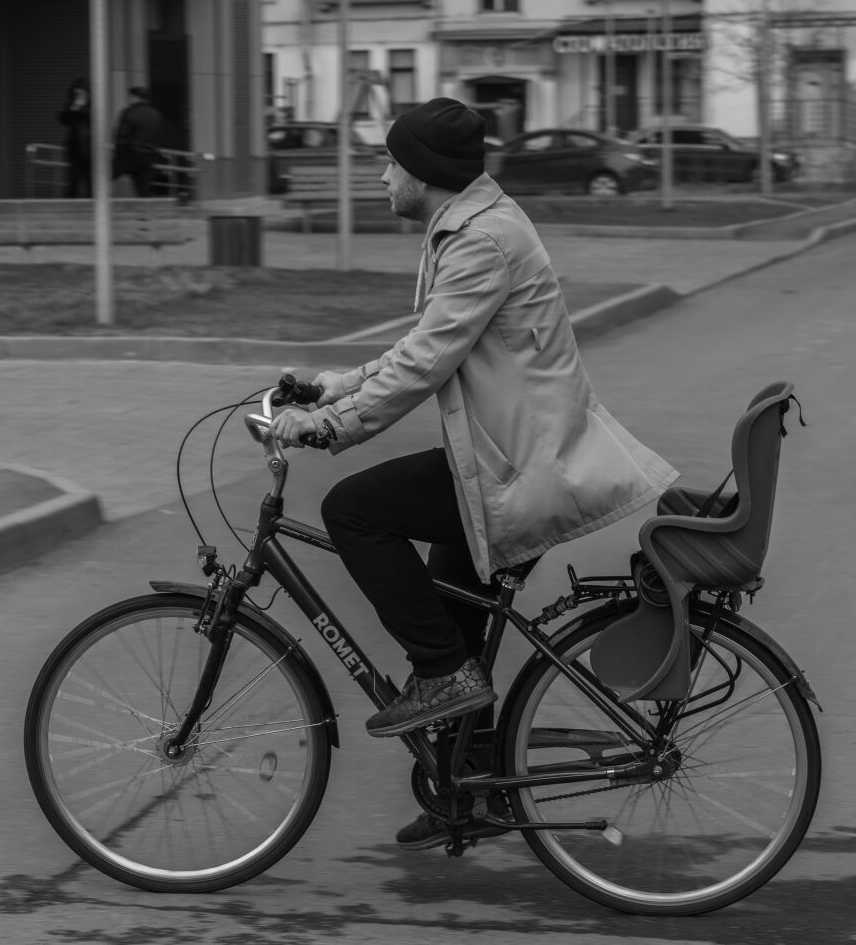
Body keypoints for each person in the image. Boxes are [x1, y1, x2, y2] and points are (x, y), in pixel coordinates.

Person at [266, 97, 679, 849]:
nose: (382, 174)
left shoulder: (482, 241)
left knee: (355, 511)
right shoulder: (472, 227)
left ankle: (445, 678)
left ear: (423, 172)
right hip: (502, 457)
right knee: (457, 627)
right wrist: (338, 383)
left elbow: (427, 361)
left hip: (516, 467)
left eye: (390, 161)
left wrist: (334, 425)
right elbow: (425, 342)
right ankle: (465, 794)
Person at [112, 86, 164, 197]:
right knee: (144, 190)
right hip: (148, 157)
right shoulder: (156, 114)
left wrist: (118, 153)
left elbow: (121, 135)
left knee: (102, 177)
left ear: (137, 97)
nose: (129, 99)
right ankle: (148, 212)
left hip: (129, 155)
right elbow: (157, 136)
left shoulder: (129, 112)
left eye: (131, 96)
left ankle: (93, 202)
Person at [57, 78, 92, 198]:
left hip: (89, 146)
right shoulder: (71, 104)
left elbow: (94, 119)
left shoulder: (92, 104)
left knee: (89, 177)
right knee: (73, 176)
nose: (78, 95)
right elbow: (63, 119)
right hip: (74, 145)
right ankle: (71, 199)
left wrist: (81, 108)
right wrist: (73, 109)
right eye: (76, 93)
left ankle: (91, 199)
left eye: (81, 93)